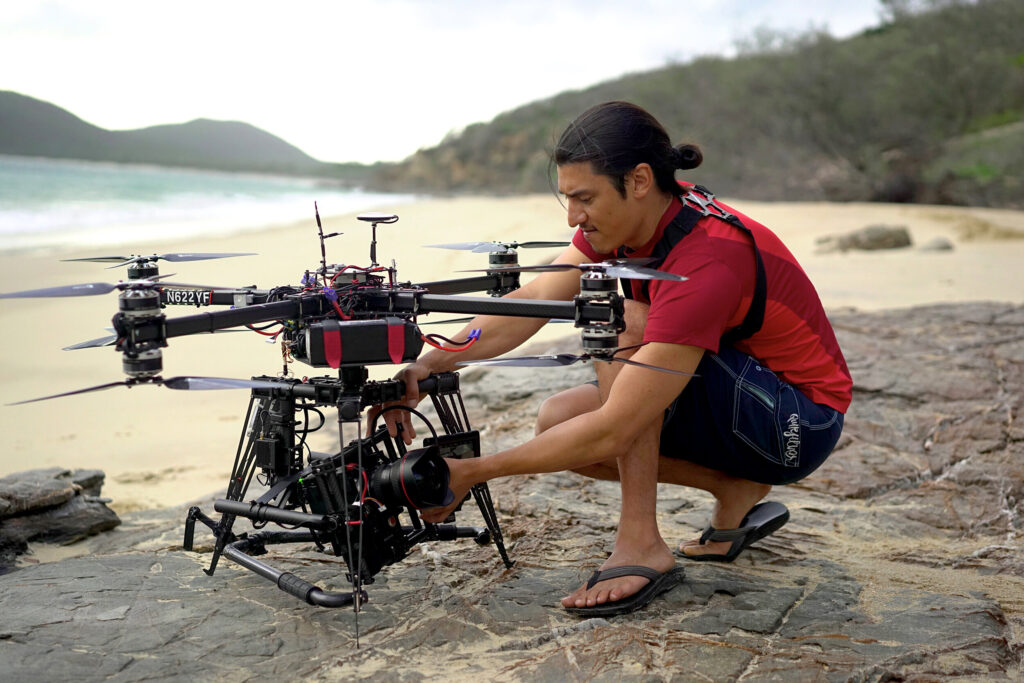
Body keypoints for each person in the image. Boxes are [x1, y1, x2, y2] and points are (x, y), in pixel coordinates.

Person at [381, 101, 851, 617]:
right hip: (742, 403)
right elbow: (535, 299)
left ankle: (642, 544)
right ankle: (733, 488)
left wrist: (474, 470)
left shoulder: (707, 256)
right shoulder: (631, 223)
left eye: (584, 198)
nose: (572, 217)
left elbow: (616, 428)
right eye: (567, 198)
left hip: (796, 423)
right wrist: (432, 362)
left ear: (640, 179)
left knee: (618, 319)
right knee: (558, 420)